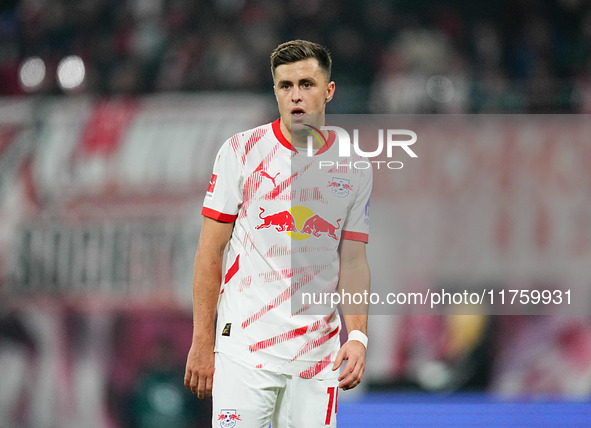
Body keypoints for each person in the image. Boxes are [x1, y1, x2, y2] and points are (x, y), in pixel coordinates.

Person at [184, 40, 372, 428]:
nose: (296, 96)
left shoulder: (354, 167)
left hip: (318, 356)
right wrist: (203, 342)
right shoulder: (241, 152)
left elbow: (353, 260)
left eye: (307, 84)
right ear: (275, 92)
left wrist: (358, 337)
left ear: (329, 91)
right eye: (285, 86)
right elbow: (209, 252)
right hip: (245, 350)